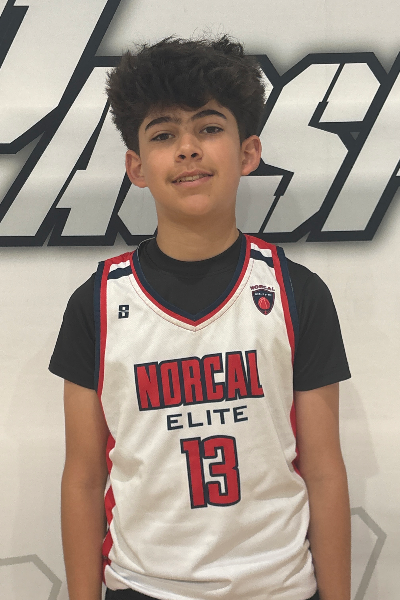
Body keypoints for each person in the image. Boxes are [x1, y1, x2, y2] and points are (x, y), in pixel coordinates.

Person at [49, 36, 351, 600]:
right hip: (143, 585)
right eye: (164, 135)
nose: (188, 149)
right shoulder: (95, 304)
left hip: (278, 586)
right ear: (137, 166)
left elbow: (325, 471)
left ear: (248, 152)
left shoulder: (297, 293)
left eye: (209, 128)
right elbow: (84, 479)